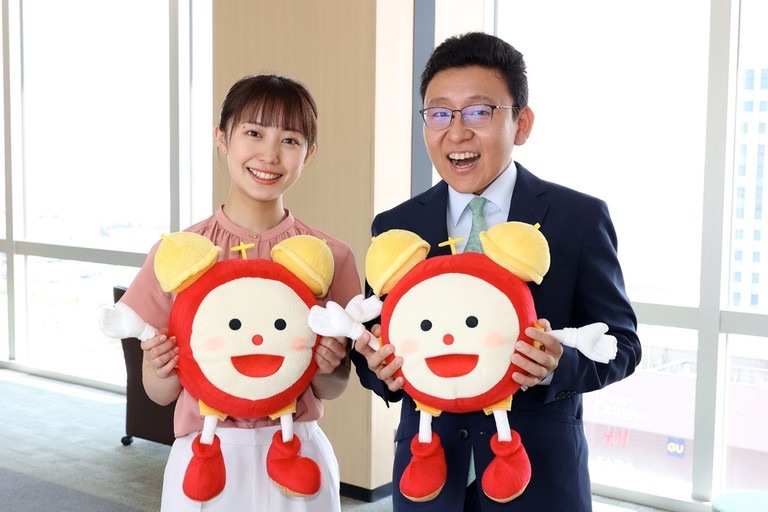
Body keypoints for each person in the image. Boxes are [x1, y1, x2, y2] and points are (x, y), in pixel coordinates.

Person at [350, 32, 642, 511]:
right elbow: (372, 342)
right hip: (429, 475)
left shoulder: (578, 218)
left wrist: (558, 367)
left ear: (521, 124)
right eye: (439, 113)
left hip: (539, 476)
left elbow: (622, 344)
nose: (456, 132)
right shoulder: (397, 226)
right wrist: (378, 369)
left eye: (478, 112)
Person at [117, 74, 361, 511]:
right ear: (222, 138)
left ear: (309, 153)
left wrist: (330, 363)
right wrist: (159, 365)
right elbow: (159, 392)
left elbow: (333, 386)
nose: (269, 155)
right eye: (253, 133)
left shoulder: (329, 257)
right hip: (206, 456)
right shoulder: (180, 256)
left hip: (296, 452)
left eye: (290, 140)